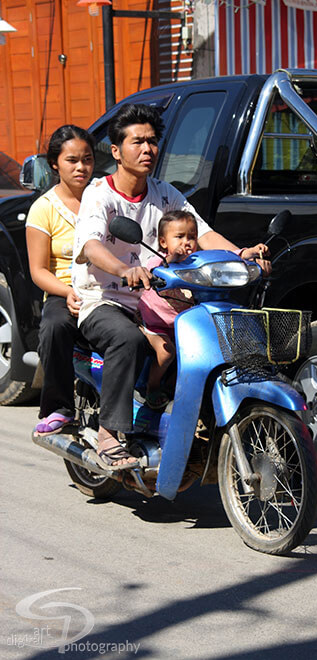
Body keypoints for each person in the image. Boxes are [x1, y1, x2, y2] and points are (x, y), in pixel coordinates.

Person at [72, 103, 270, 470]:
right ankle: (109, 435)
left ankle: (185, 415)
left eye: (152, 141)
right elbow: (91, 244)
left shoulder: (166, 194)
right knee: (126, 339)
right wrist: (123, 270)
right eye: (137, 142)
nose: (147, 149)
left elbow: (203, 231)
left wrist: (242, 255)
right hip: (106, 299)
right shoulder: (99, 195)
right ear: (116, 151)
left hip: (161, 297)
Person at [137, 210, 267, 409]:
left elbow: (221, 258)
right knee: (167, 354)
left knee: (195, 357)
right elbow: (154, 270)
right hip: (157, 323)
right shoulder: (159, 260)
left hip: (185, 323)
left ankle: (174, 388)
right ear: (163, 242)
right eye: (179, 237)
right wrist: (171, 259)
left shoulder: (197, 260)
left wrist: (246, 254)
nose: (186, 242)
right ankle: (152, 387)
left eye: (191, 237)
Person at [26, 125, 95, 434]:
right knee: (55, 326)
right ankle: (59, 408)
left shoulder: (103, 197)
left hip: (106, 288)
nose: (81, 167)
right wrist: (67, 292)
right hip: (63, 291)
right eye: (72, 160)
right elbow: (39, 270)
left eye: (87, 159)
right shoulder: (43, 209)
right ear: (55, 163)